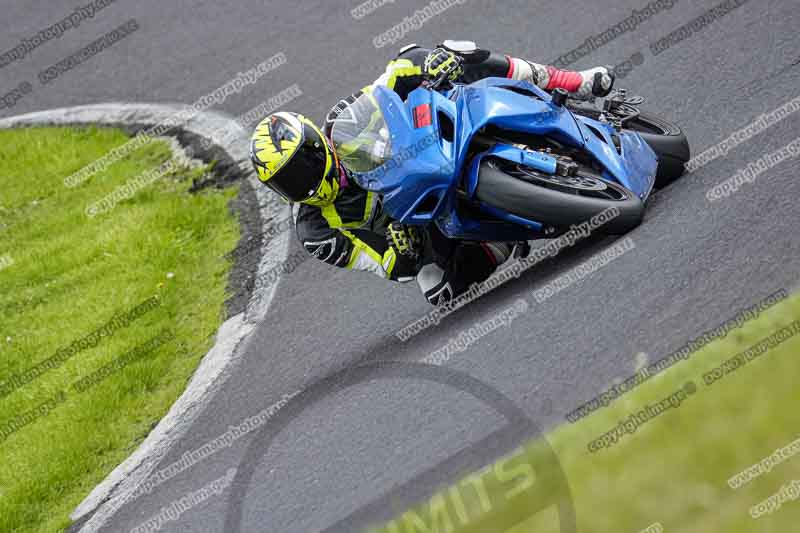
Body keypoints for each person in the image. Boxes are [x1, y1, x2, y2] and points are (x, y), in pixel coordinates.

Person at [249, 41, 615, 305]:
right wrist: (402, 253)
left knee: (460, 52)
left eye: (302, 167)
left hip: (429, 149)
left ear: (316, 144)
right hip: (418, 222)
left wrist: (426, 62)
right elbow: (384, 266)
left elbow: (391, 78)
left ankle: (568, 81)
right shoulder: (316, 231)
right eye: (288, 183)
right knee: (438, 288)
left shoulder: (342, 122)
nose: (304, 183)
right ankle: (503, 236)